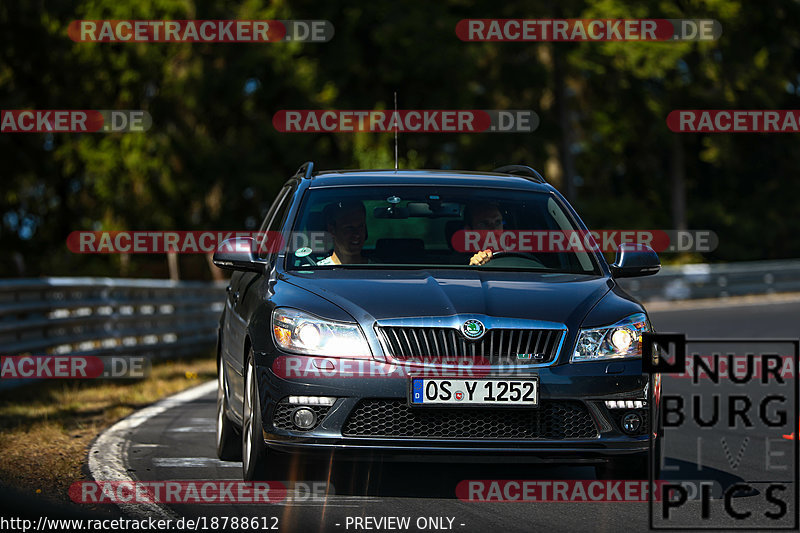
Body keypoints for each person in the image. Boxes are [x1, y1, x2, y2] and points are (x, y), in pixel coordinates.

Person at [317, 200, 369, 265]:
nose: (357, 234)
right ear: (332, 230)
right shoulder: (318, 272)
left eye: (360, 227)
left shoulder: (379, 269)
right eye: (349, 228)